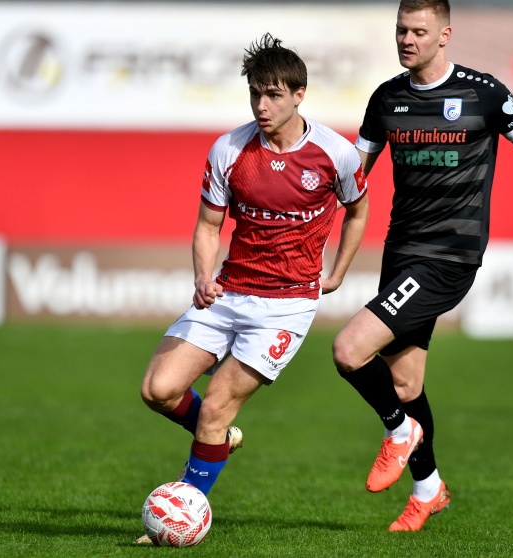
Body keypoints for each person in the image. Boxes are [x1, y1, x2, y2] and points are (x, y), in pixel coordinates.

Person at [332, 0, 513, 533]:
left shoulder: (485, 93)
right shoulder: (386, 98)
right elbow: (352, 173)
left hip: (449, 256)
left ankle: (398, 432)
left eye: (419, 31)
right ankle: (428, 489)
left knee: (348, 349)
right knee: (405, 384)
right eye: (401, 30)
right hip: (401, 252)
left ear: (445, 34)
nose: (407, 39)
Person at [138, 29, 368, 519]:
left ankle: (185, 510)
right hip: (228, 292)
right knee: (157, 390)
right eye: (255, 93)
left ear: (300, 94)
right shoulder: (230, 149)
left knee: (216, 405)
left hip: (286, 305)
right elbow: (208, 225)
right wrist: (203, 277)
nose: (262, 105)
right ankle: (217, 439)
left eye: (274, 95)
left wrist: (338, 271)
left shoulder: (336, 153)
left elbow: (358, 211)